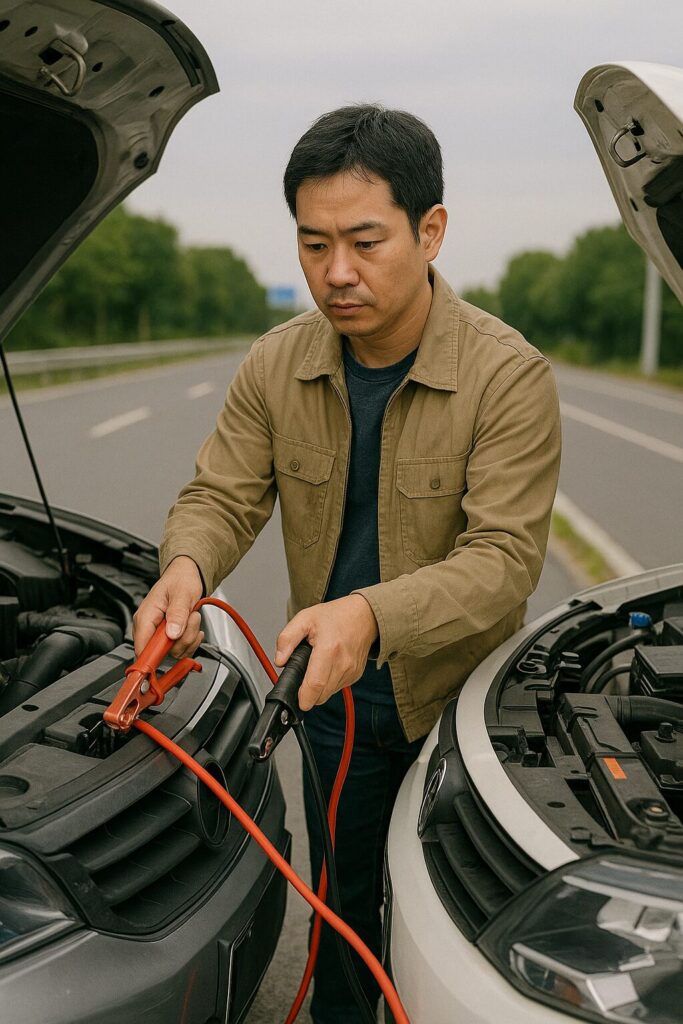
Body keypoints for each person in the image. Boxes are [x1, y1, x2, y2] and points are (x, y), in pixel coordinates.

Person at [133, 105, 562, 1023]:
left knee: (447, 931)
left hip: (459, 708)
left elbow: (504, 560)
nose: (335, 273)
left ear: (430, 228)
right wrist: (184, 569)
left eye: (365, 242)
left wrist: (367, 614)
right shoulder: (273, 364)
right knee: (339, 917)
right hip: (331, 706)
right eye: (313, 243)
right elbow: (220, 497)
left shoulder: (507, 376)